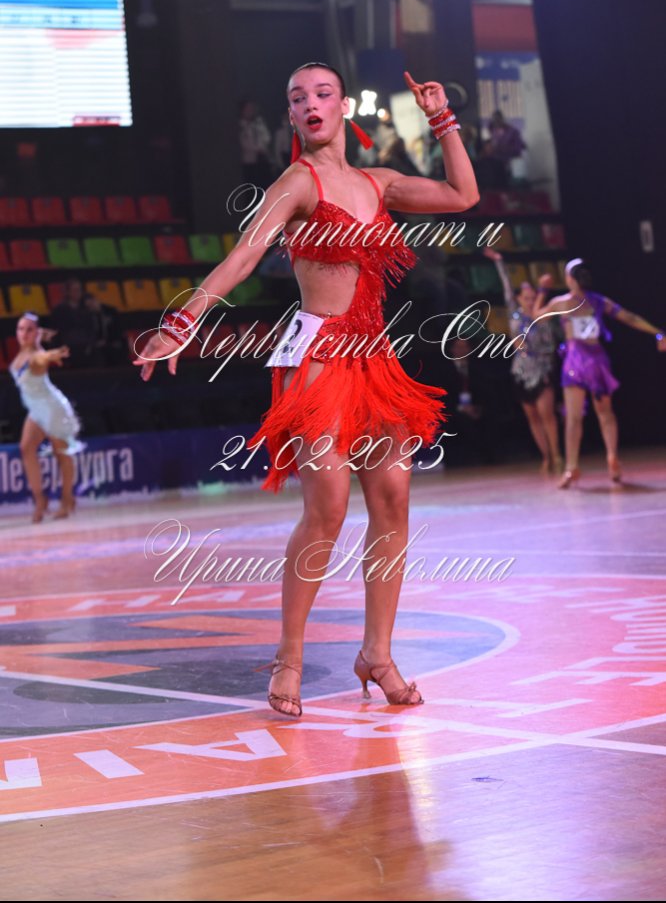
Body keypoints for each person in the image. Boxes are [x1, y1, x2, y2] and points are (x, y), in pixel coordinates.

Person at [135, 62, 479, 716]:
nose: (311, 103)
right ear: (291, 116)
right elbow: (242, 257)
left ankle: (377, 653)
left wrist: (442, 119)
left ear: (343, 106)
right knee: (328, 505)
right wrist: (182, 322)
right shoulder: (296, 183)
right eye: (298, 98)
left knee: (394, 501)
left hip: (374, 356)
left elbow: (463, 194)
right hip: (318, 354)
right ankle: (288, 655)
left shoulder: (378, 183)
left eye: (322, 93)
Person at [534, 258, 666, 488]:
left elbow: (536, 316)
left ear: (570, 279)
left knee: (574, 418)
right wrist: (657, 333)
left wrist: (543, 290)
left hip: (575, 360)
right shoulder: (599, 301)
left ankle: (571, 467)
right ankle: (612, 455)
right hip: (597, 360)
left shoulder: (562, 302)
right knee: (606, 414)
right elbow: (629, 317)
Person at [484, 247, 562, 472]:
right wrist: (499, 262)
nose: (529, 301)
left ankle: (556, 454)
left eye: (532, 298)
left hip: (541, 369)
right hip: (520, 371)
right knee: (533, 417)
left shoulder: (542, 315)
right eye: (525, 298)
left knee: (547, 415)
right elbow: (507, 286)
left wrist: (539, 354)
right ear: (519, 299)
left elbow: (550, 344)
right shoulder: (514, 313)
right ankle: (545, 456)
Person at [9, 312, 85, 522]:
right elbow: (36, 342)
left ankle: (67, 500)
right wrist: (40, 334)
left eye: (29, 330)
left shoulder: (36, 355)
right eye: (21, 329)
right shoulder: (28, 349)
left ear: (35, 333)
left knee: (62, 454)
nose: (24, 333)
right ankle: (40, 500)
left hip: (52, 409)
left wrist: (52, 354)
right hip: (36, 410)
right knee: (26, 448)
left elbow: (41, 358)